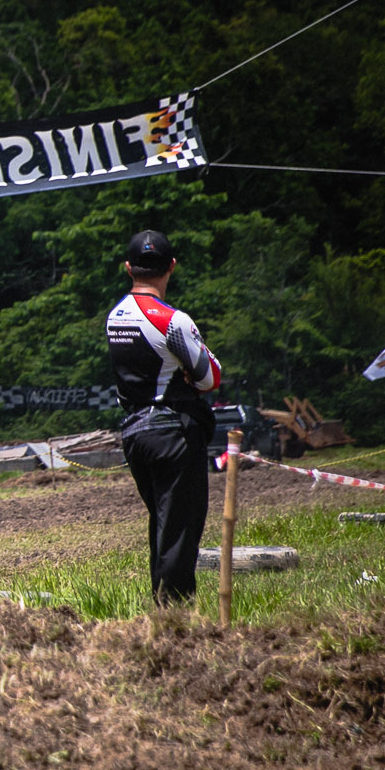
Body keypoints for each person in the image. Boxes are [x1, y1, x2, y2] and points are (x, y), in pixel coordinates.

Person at [106, 229, 223, 606]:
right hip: (174, 434)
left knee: (162, 525)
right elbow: (209, 377)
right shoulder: (173, 320)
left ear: (128, 268)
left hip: (135, 433)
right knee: (181, 530)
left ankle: (163, 610)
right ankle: (175, 619)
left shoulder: (114, 317)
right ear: (171, 266)